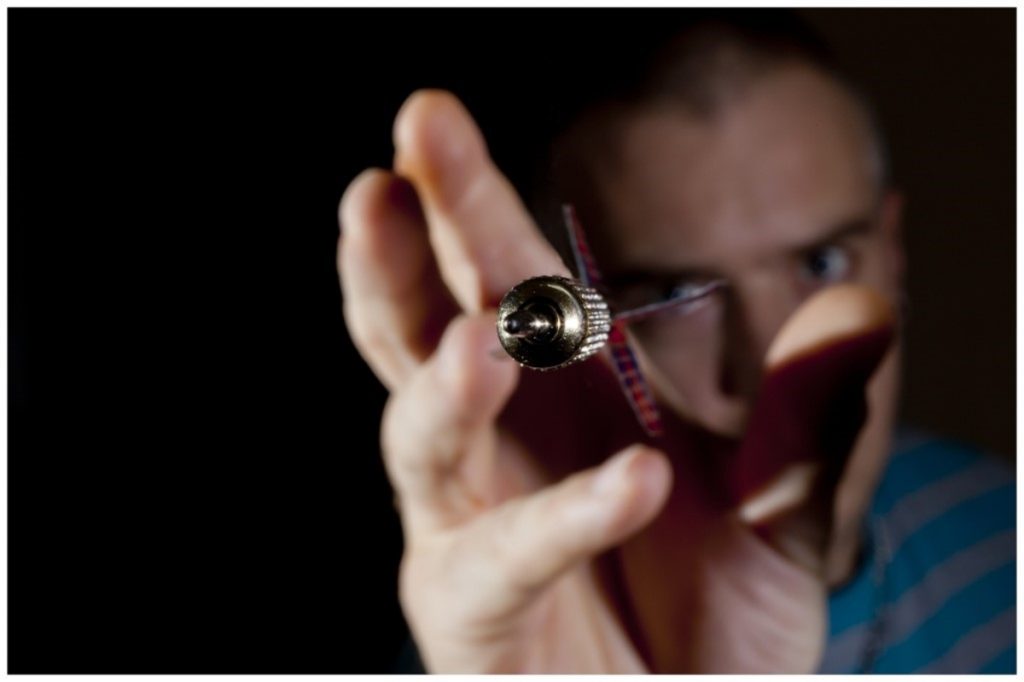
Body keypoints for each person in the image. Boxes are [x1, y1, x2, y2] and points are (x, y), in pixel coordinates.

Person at [336, 14, 1014, 674]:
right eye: (671, 293)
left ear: (892, 250)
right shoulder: (520, 645)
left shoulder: (1000, 519)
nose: (766, 368)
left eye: (820, 264)